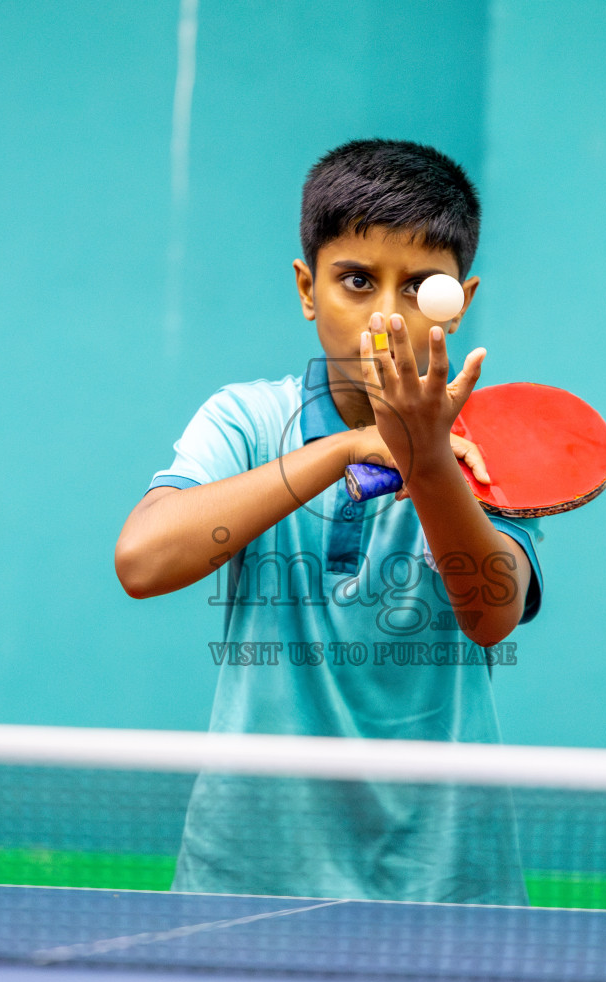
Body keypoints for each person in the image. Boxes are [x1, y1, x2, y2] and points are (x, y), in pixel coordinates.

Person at [114, 139, 542, 906]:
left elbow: (491, 615)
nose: (385, 315)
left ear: (460, 299)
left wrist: (432, 464)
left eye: (419, 287)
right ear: (308, 289)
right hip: (250, 875)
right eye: (355, 281)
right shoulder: (246, 420)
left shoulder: (493, 446)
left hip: (443, 880)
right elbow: (143, 562)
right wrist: (344, 449)